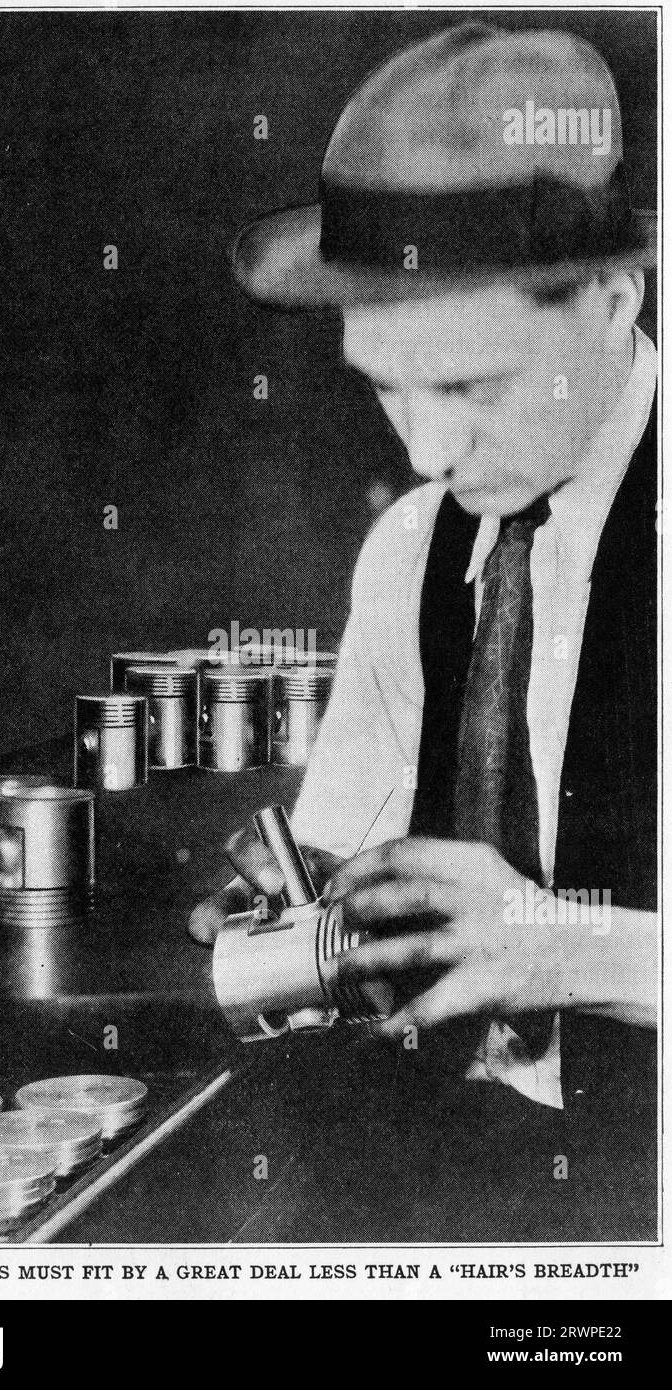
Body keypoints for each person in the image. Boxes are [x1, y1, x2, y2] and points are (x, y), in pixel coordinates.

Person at [189, 23, 658, 1241]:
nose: (429, 453)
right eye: (385, 386)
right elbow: (343, 841)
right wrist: (310, 906)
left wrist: (567, 949)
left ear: (613, 299)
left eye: (470, 386)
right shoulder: (411, 547)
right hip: (449, 1171)